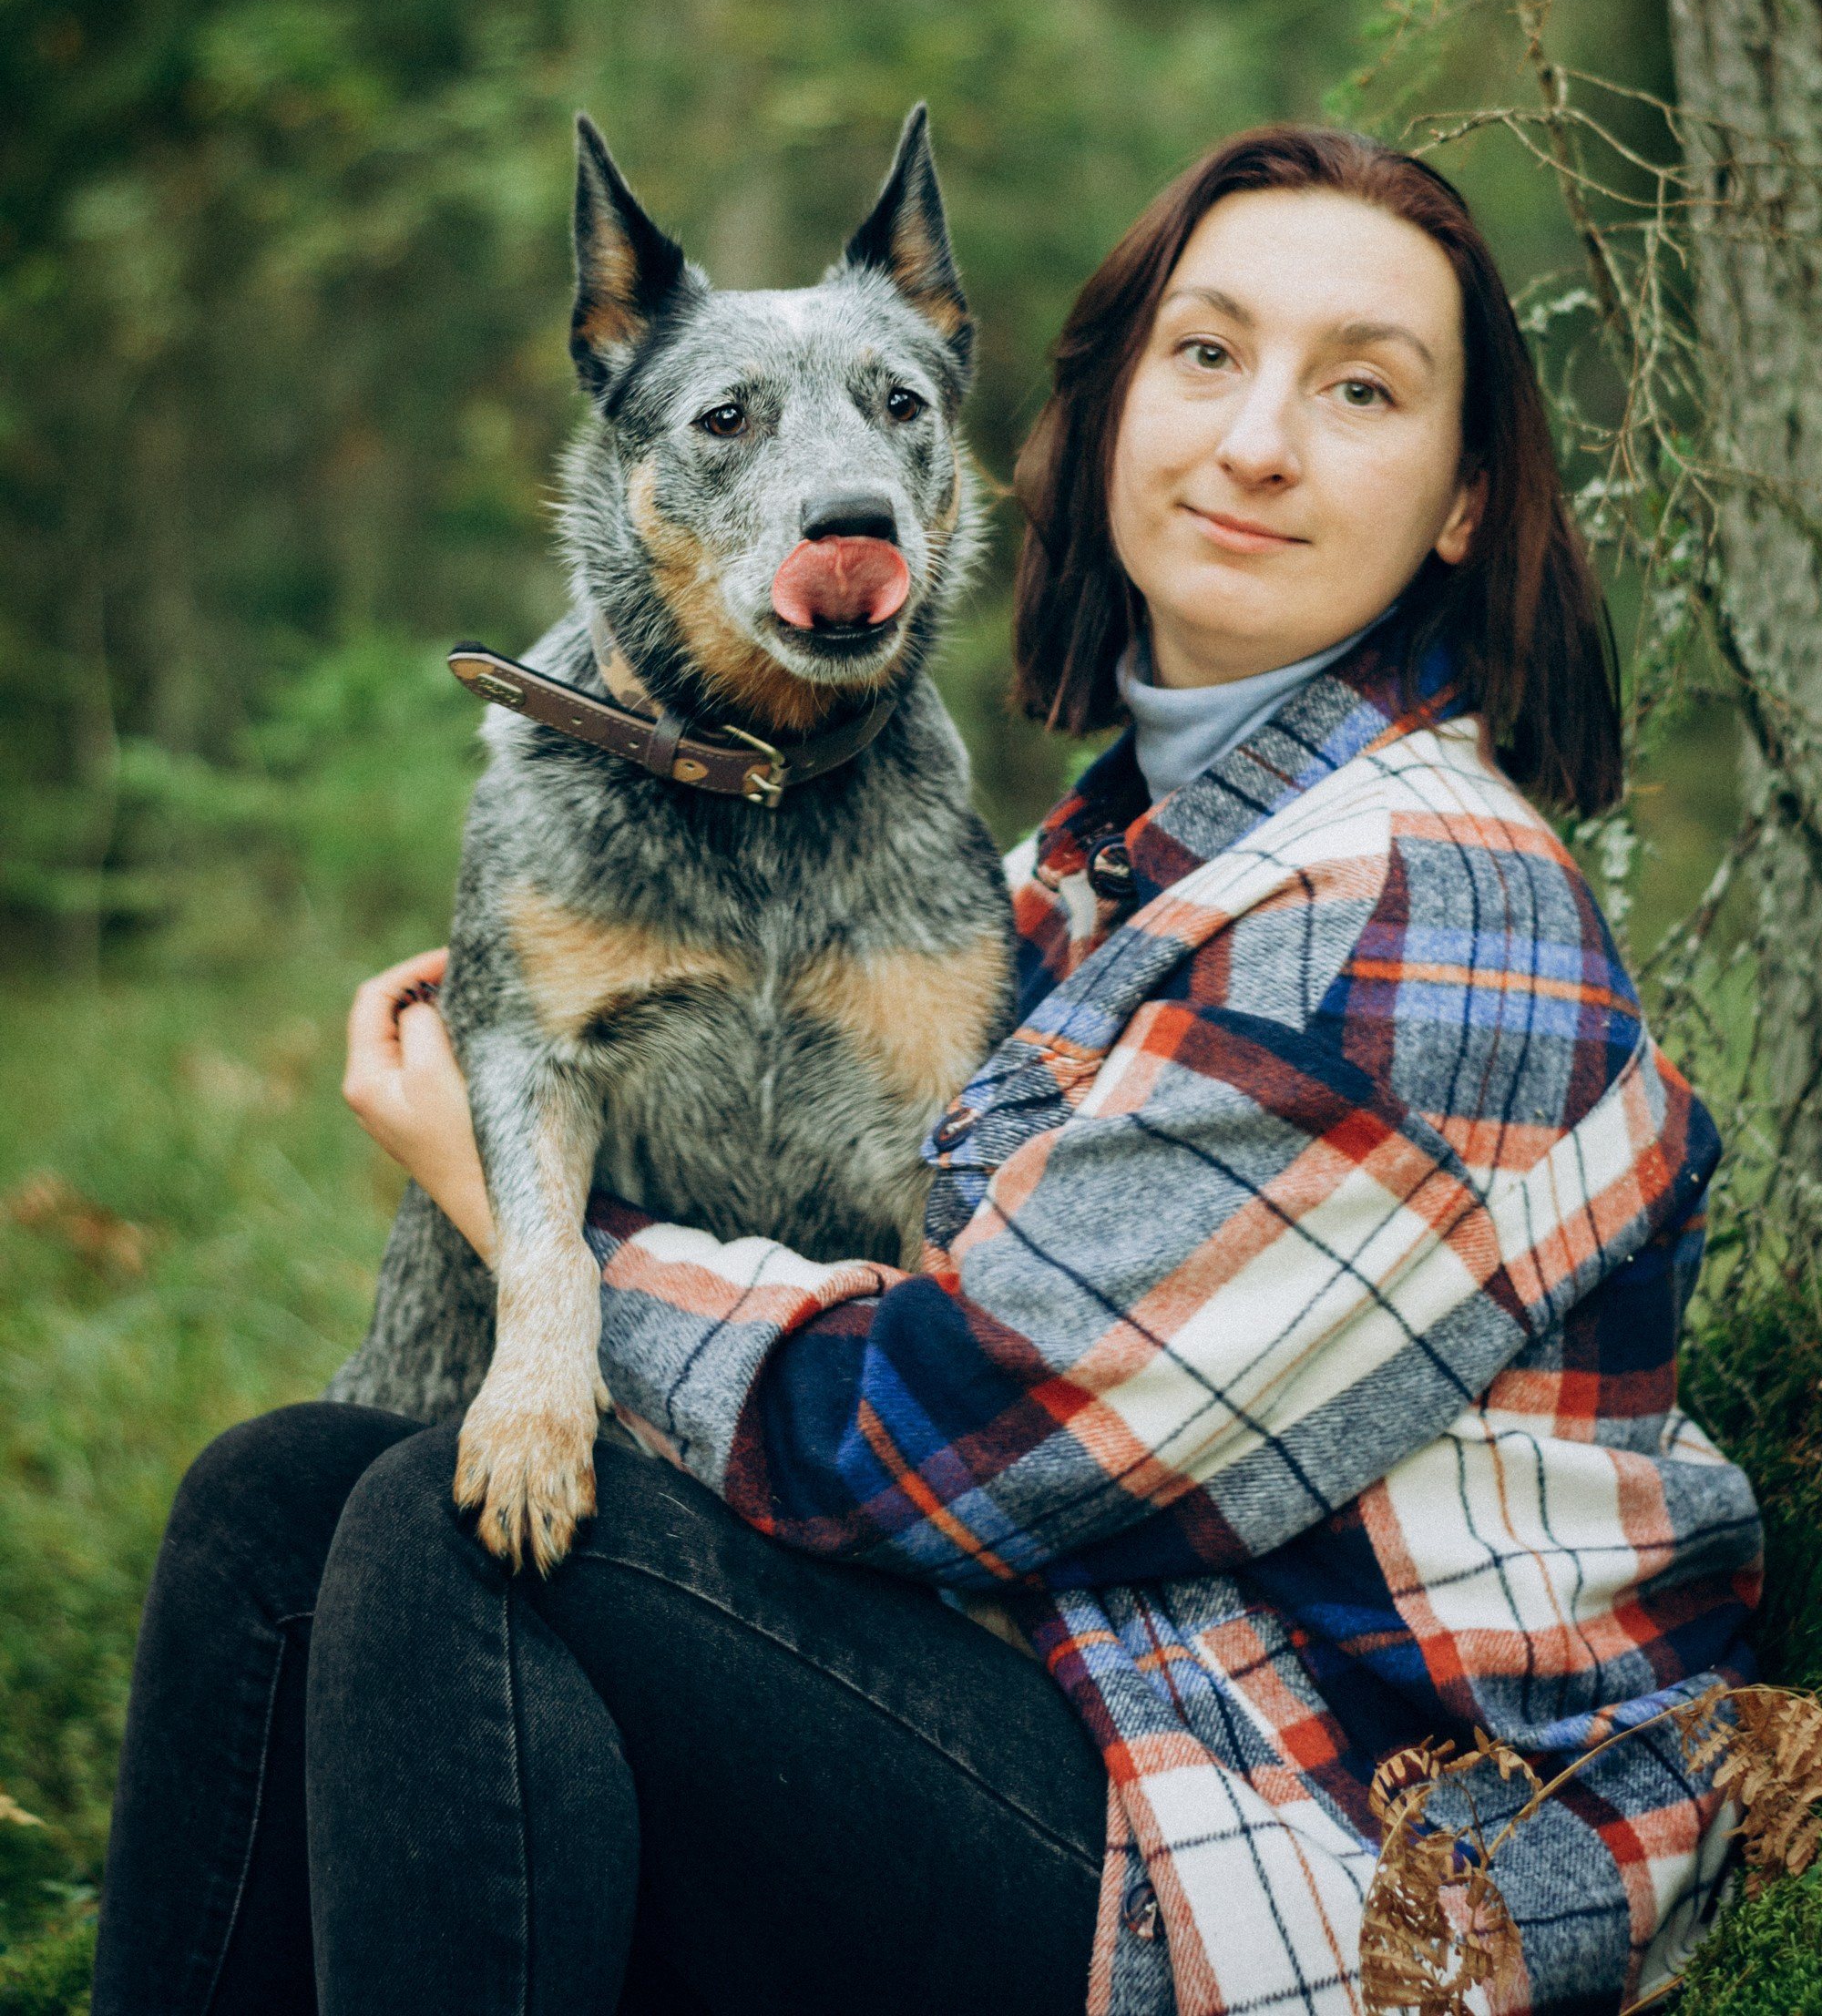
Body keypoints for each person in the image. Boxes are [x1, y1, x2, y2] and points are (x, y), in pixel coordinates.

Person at [91, 126, 1762, 2016]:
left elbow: (965, 1439)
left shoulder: (1417, 913)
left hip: (1352, 1865)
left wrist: (510, 1217)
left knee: (438, 1536)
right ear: (1104, 409)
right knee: (277, 1498)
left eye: (1361, 388)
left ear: (1464, 502)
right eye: (1205, 356)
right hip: (1129, 1703)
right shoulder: (1127, 848)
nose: (1259, 439)